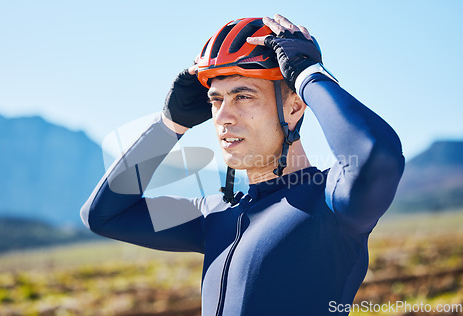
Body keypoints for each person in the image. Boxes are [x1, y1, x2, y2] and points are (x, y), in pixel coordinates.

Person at [81, 14, 405, 315]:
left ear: (294, 106)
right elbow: (104, 215)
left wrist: (309, 75)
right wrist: (171, 124)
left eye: (243, 96)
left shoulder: (330, 205)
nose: (222, 117)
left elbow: (377, 156)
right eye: (216, 100)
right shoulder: (216, 214)